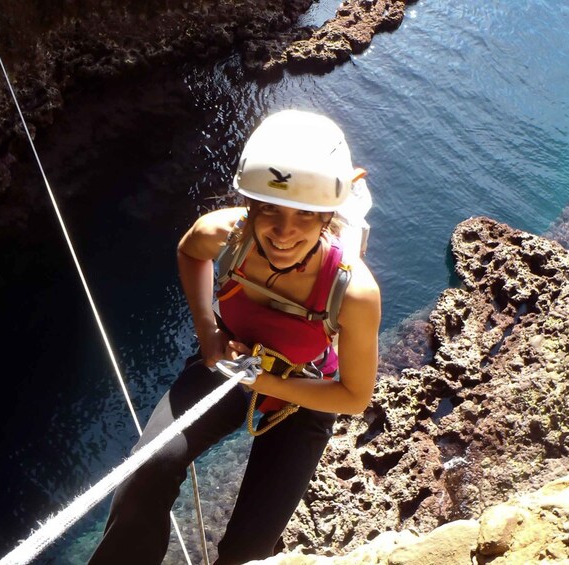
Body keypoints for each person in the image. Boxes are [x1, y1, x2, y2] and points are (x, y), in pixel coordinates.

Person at [89, 109, 381, 564]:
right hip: (229, 361)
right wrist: (208, 331)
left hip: (302, 396)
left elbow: (353, 396)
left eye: (306, 215)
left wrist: (260, 383)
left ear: (329, 214)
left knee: (248, 550)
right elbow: (190, 251)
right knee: (146, 470)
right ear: (249, 204)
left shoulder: (355, 292)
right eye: (268, 209)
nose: (285, 232)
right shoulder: (224, 235)